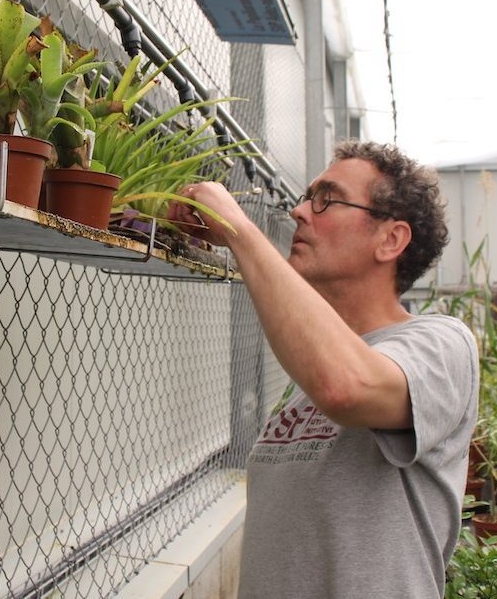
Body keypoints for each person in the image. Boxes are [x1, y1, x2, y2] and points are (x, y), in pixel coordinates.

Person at [169, 140, 479, 598]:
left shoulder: (442, 344)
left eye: (327, 199)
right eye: (306, 197)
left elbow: (346, 387)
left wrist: (239, 230)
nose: (299, 212)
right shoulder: (305, 380)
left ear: (390, 240)